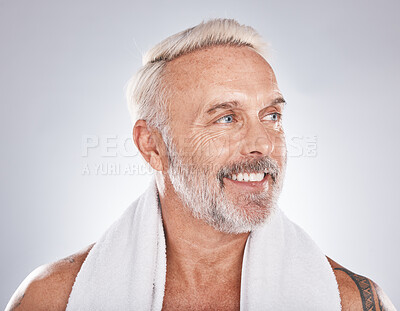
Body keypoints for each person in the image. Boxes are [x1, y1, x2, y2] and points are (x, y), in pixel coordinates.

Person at [6, 18, 395, 311]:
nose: (263, 143)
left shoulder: (352, 302)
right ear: (152, 145)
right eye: (226, 117)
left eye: (272, 115)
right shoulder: (52, 299)